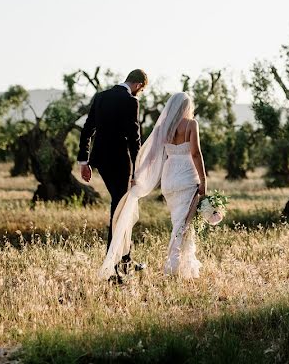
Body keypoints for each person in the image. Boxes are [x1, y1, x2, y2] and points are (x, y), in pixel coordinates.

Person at [97, 92, 207, 281]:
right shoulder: (191, 124)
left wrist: (136, 175)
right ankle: (172, 267)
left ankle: (184, 267)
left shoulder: (164, 127)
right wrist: (204, 180)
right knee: (183, 224)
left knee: (180, 222)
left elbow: (151, 156)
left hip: (169, 178)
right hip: (187, 177)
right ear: (187, 107)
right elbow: (195, 153)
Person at [77, 69, 148, 279]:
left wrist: (84, 161)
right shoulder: (131, 101)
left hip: (101, 161)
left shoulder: (101, 97)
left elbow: (87, 129)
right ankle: (113, 267)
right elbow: (134, 139)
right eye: (140, 91)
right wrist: (139, 168)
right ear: (138, 85)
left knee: (121, 208)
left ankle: (125, 261)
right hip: (120, 163)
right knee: (119, 210)